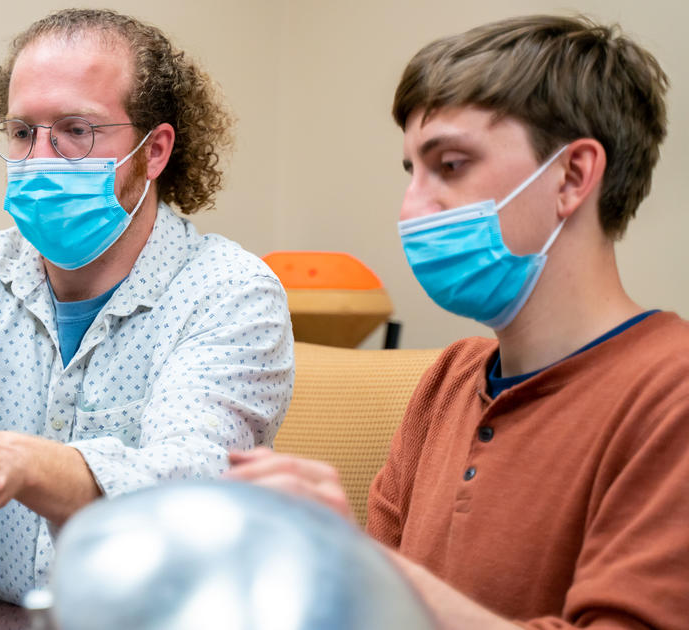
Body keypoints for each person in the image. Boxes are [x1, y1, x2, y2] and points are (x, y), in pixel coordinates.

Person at [226, 14, 689, 628]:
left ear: (573, 176)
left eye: (449, 165)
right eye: (410, 172)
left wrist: (363, 566)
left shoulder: (671, 392)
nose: (412, 207)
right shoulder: (450, 379)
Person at [0, 8, 293, 603]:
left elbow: (191, 477)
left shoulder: (230, 291)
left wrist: (27, 465)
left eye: (76, 131)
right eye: (23, 132)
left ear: (154, 150)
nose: (40, 159)